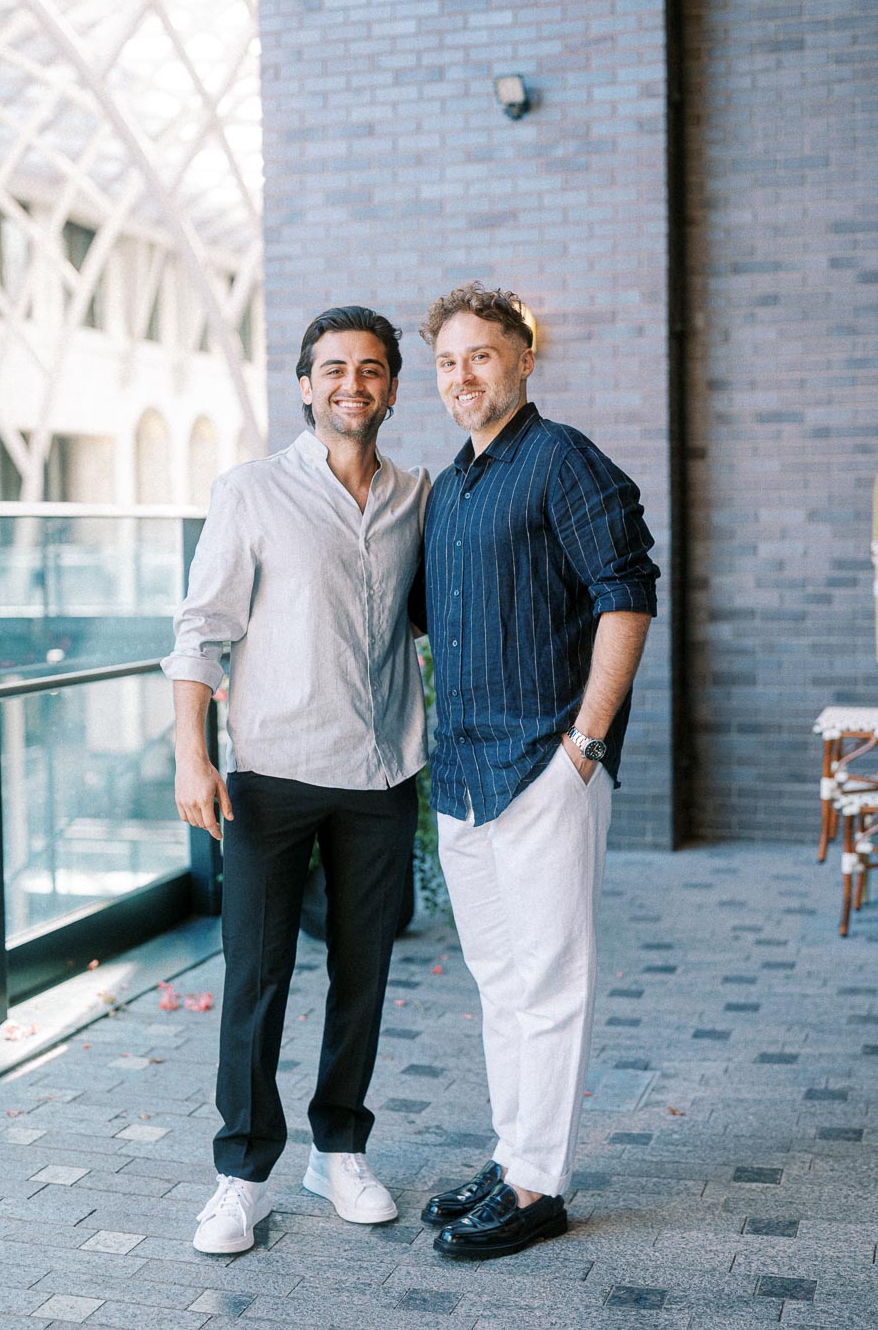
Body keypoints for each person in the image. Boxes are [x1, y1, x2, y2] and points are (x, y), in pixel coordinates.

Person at [162, 305, 429, 1254]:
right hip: (271, 775)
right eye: (333, 369)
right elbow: (202, 630)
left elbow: (435, 617)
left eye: (370, 369)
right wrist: (193, 755)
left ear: (394, 386)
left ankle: (339, 1150)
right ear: (306, 385)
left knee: (364, 972)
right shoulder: (251, 491)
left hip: (382, 772)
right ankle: (241, 1174)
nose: (351, 384)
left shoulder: (417, 496)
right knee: (258, 978)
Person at [417, 282, 659, 1260]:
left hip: (547, 767)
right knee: (498, 979)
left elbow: (626, 594)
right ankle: (512, 1150)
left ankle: (537, 1185)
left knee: (551, 980)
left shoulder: (563, 461)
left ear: (523, 359)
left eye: (482, 355)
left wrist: (585, 745)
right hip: (466, 773)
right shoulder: (451, 487)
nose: (463, 375)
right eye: (447, 361)